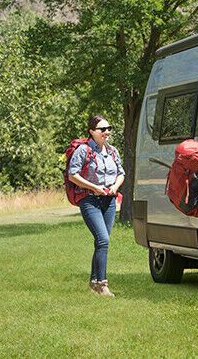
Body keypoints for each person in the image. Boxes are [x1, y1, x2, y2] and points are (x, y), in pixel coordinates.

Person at [68, 116, 125, 296]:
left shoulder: (113, 151)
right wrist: (94, 187)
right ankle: (102, 284)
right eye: (102, 129)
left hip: (109, 200)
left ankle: (93, 282)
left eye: (109, 128)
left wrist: (114, 187)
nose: (107, 132)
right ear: (92, 132)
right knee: (103, 240)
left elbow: (121, 173)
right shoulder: (83, 150)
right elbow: (72, 175)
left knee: (101, 241)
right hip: (89, 199)